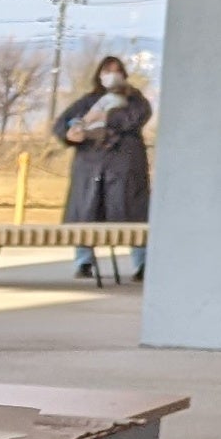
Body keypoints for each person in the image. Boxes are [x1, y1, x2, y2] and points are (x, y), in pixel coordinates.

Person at [55, 52, 151, 280]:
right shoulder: (87, 101)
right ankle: (84, 261)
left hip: (125, 166)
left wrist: (104, 117)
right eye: (107, 71)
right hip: (90, 166)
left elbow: (134, 118)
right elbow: (63, 123)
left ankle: (142, 263)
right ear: (99, 74)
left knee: (133, 213)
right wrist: (71, 133)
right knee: (85, 211)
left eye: (117, 71)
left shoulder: (135, 100)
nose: (112, 75)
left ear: (124, 74)